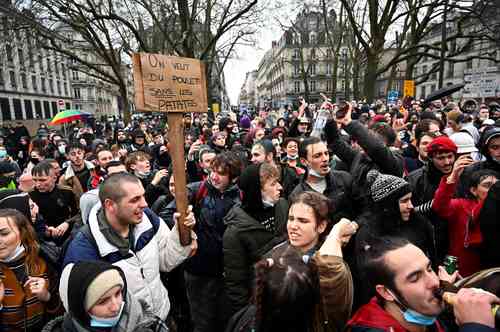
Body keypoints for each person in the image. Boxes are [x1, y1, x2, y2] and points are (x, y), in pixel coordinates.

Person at [62, 173, 197, 321]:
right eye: (135, 200)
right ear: (110, 205)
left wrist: (180, 232)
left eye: (143, 196)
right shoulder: (83, 250)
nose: (145, 204)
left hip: (161, 317)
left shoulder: (147, 219)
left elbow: (165, 261)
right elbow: (79, 313)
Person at [244, 191, 356, 332]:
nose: (293, 226)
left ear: (321, 226)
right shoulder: (273, 256)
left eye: (303, 221)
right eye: (291, 219)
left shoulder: (330, 267)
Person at [347, 236, 498, 332]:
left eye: (429, 268)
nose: (434, 282)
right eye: (414, 278)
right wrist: (476, 327)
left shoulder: (422, 307)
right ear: (386, 292)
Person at [180, 152, 242, 332]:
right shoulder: (198, 190)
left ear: (234, 178)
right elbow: (169, 213)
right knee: (202, 321)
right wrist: (185, 220)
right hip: (199, 271)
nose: (213, 176)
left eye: (221, 173)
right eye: (213, 170)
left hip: (226, 272)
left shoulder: (241, 197)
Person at [223, 162, 288, 317]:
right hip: (260, 305)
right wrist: (248, 317)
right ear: (256, 191)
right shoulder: (234, 233)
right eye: (273, 184)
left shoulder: (283, 206)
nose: (280, 188)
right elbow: (236, 284)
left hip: (288, 291)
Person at [432, 155, 499, 277]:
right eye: (487, 185)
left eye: (496, 185)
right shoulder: (461, 206)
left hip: (492, 271)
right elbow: (439, 207)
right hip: (464, 273)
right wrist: (452, 177)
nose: (493, 189)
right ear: (473, 190)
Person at [56, 261, 165, 332]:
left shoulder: (147, 320)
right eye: (102, 301)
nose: (116, 307)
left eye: (118, 293)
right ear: (81, 309)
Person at [0, 209, 61, 331]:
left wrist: (47, 296)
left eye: (4, 233)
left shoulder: (44, 262)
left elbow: (61, 312)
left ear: (23, 233)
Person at [407, 135, 458, 262]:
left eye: (450, 157)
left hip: (455, 236)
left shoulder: (463, 175)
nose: (447, 162)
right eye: (440, 158)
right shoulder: (416, 179)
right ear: (430, 158)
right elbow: (410, 211)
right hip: (428, 239)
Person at [291, 137, 354, 222]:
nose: (325, 159)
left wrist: (354, 225)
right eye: (318, 156)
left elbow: (364, 210)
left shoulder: (344, 179)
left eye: (326, 153)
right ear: (304, 161)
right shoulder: (297, 195)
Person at [30, 161, 79, 245]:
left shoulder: (66, 192)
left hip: (67, 237)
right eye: (35, 180)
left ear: (54, 178)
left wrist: (67, 223)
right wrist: (43, 229)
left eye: (42, 180)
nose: (38, 184)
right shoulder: (29, 195)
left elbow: (79, 213)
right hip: (42, 240)